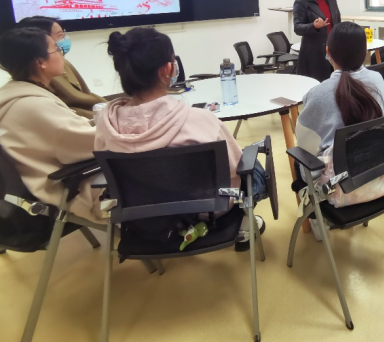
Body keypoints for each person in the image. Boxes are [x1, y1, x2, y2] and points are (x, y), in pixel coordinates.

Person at [95, 27, 265, 249]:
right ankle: (244, 224)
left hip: (143, 218)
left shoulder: (105, 125)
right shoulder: (200, 120)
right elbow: (235, 168)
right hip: (206, 211)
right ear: (168, 69)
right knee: (253, 167)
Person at [0, 27, 98, 221]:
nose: (62, 54)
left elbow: (72, 130)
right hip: (67, 188)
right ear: (41, 62)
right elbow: (91, 142)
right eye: (56, 49)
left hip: (47, 181)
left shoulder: (18, 93)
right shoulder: (34, 105)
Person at [296, 22, 384, 182]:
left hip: (339, 183)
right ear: (365, 52)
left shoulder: (317, 94)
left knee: (298, 161)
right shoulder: (377, 79)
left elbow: (305, 145)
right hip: (378, 168)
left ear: (328, 52)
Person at [17, 15, 105, 118]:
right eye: (60, 35)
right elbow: (75, 104)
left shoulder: (63, 63)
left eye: (64, 33)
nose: (65, 38)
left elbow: (86, 95)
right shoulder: (42, 74)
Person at [293, 0, 341, 82]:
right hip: (314, 53)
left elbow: (338, 23)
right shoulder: (301, 3)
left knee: (334, 84)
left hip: (333, 50)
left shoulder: (332, 0)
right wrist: (314, 26)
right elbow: (297, 27)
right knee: (317, 85)